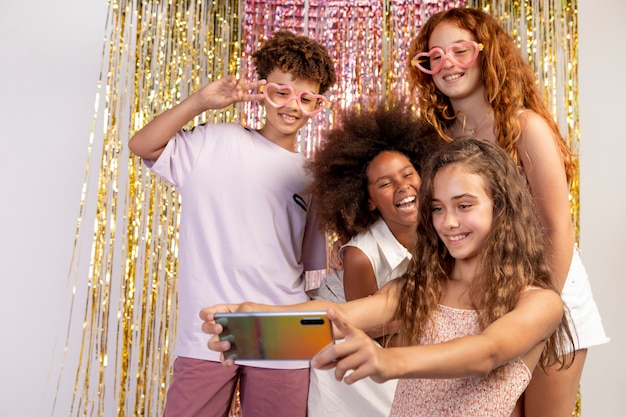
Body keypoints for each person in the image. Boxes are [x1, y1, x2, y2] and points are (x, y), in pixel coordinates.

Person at [201, 137, 576, 417]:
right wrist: (252, 324)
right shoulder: (421, 286)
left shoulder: (539, 302)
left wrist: (388, 363)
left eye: (464, 206)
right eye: (437, 209)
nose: (448, 222)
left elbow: (486, 352)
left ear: (502, 206)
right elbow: (341, 318)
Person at [405, 8, 609, 416]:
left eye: (460, 51)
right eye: (435, 56)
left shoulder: (524, 127)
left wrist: (535, 309)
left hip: (546, 290)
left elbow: (555, 225)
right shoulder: (439, 139)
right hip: (480, 301)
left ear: (486, 53)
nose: (447, 64)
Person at [128, 30, 336, 417]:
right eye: (282, 92)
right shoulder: (214, 142)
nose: (292, 106)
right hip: (209, 322)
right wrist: (201, 102)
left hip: (282, 322)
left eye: (306, 99)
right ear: (261, 88)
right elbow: (142, 146)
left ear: (316, 106)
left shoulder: (315, 175)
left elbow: (311, 266)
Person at [304, 100, 444, 416]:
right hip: (342, 336)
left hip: (395, 332)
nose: (402, 186)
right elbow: (366, 330)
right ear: (368, 201)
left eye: (408, 174)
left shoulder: (442, 228)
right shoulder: (359, 255)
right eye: (385, 183)